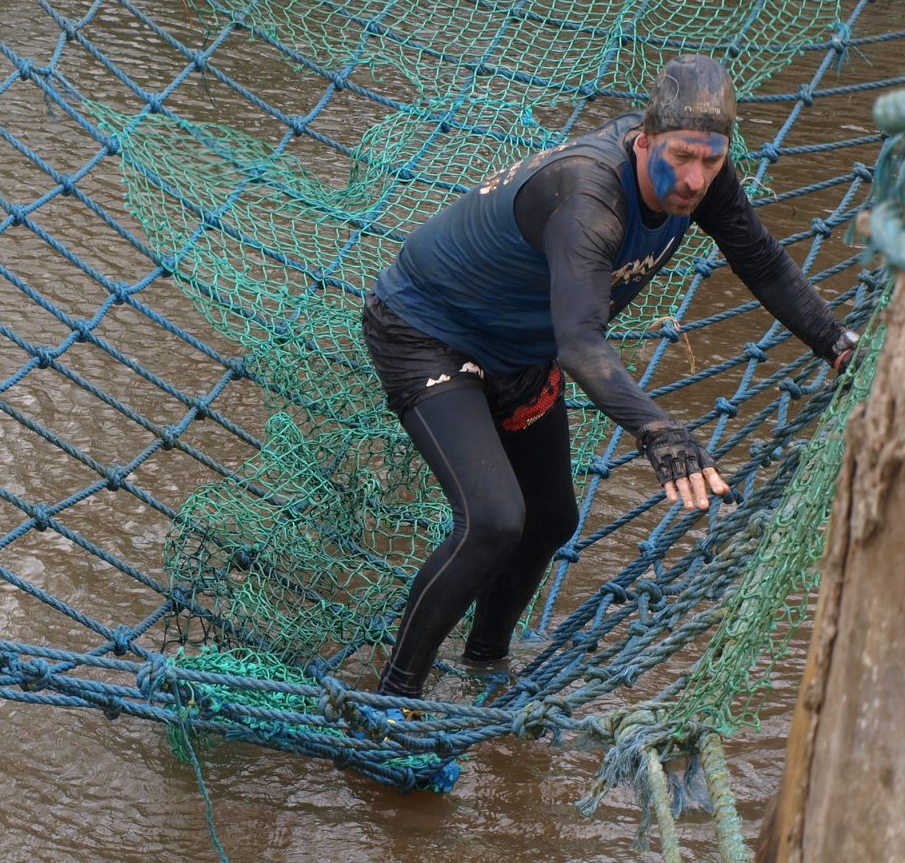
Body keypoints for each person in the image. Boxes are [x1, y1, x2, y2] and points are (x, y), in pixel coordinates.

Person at [360, 55, 857, 699]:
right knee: (493, 520)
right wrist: (658, 430)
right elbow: (581, 345)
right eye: (681, 156)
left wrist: (837, 346)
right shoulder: (589, 197)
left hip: (521, 354)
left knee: (551, 521)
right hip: (426, 336)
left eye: (710, 160)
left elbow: (758, 259)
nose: (694, 178)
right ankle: (390, 699)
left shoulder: (707, 175)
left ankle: (485, 664)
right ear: (645, 138)